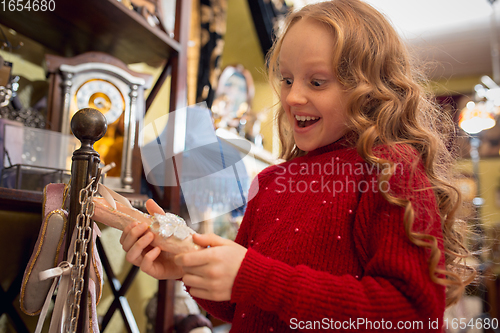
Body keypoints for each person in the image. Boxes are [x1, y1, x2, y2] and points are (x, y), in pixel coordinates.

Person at [119, 0, 476, 331]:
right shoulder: (272, 180)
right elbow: (236, 305)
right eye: (287, 79)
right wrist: (185, 264)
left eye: (316, 82)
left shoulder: (391, 170)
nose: (292, 97)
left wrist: (256, 278)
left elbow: (414, 316)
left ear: (370, 89)